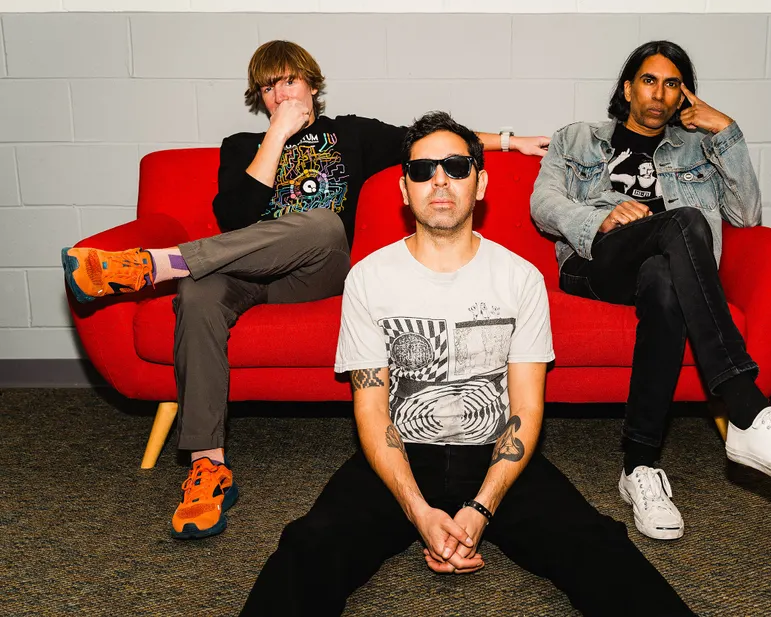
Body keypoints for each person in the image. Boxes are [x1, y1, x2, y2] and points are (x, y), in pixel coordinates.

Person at [60, 40, 549, 540]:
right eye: (268, 87)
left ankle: (160, 264)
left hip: (316, 271)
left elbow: (434, 146)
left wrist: (511, 141)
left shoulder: (350, 133)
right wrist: (276, 135)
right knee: (195, 294)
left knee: (322, 223)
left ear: (312, 85)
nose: (280, 94)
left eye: (289, 81)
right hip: (244, 275)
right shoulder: (240, 146)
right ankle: (209, 468)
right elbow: (234, 221)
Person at [240, 112, 696, 616]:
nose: (439, 180)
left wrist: (481, 508)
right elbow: (371, 412)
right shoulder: (369, 278)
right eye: (422, 170)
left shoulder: (519, 278)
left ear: (480, 184)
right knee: (309, 546)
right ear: (404, 189)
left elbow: (526, 408)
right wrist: (419, 512)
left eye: (456, 167)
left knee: (599, 545)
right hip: (400, 453)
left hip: (496, 453)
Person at [530, 40, 771, 542]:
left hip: (662, 270)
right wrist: (601, 219)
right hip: (594, 263)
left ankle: (639, 466)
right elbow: (543, 203)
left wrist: (726, 131)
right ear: (628, 88)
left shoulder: (697, 147)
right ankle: (745, 405)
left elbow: (746, 215)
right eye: (649, 80)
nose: (659, 94)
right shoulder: (577, 138)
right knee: (683, 220)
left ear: (684, 95)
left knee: (664, 280)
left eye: (672, 84)